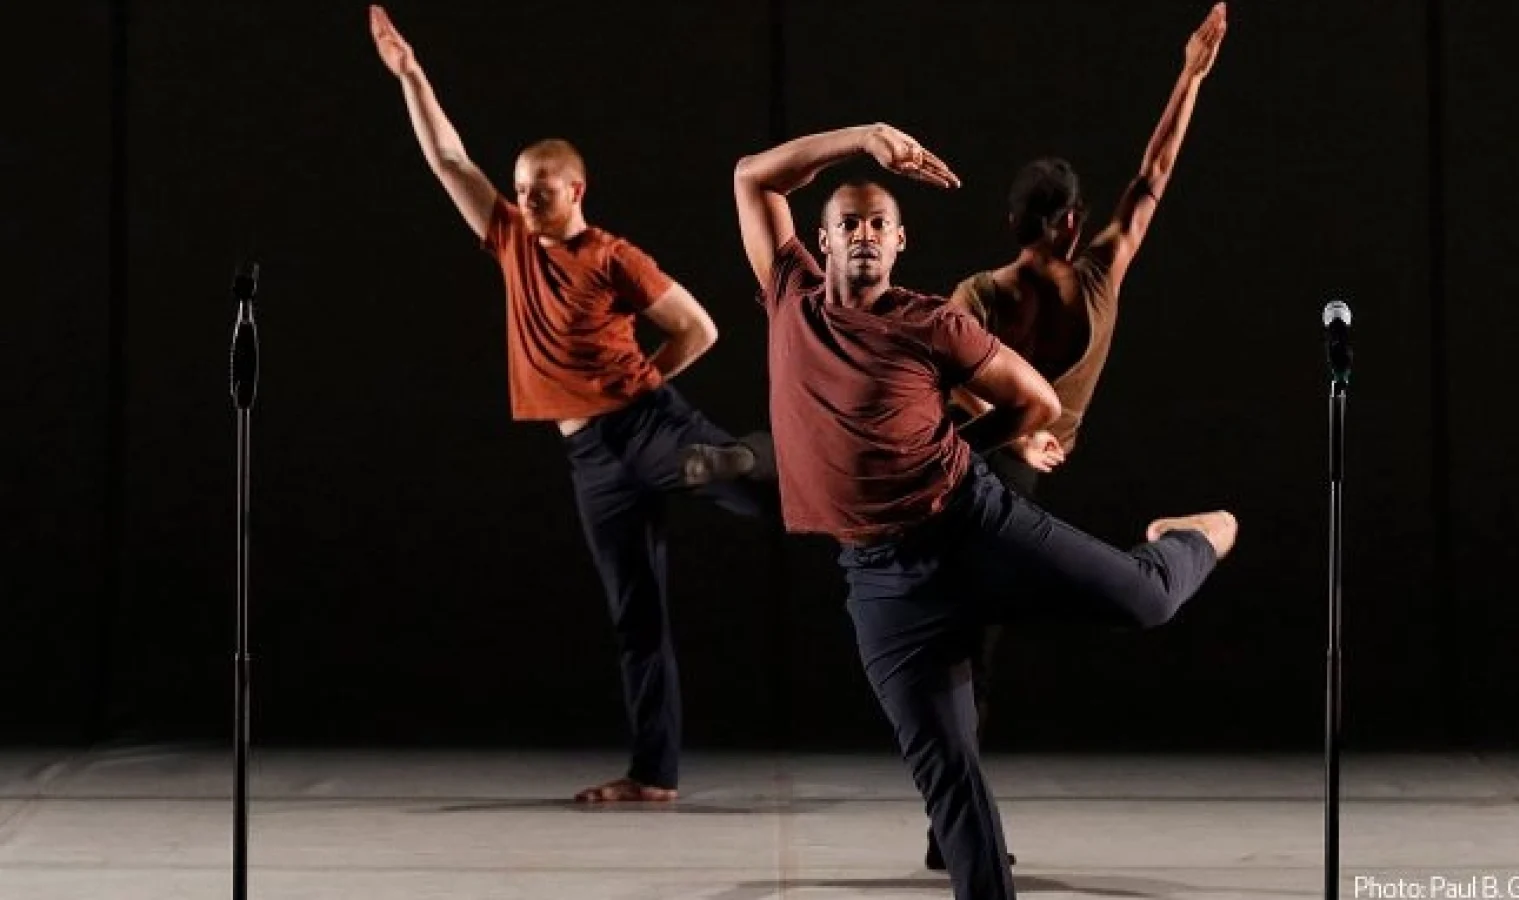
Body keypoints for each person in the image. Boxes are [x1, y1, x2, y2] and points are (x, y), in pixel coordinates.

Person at [727, 35, 1233, 900]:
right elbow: (752, 176)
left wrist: (967, 449)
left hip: (973, 524)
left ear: (899, 243)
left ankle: (1195, 535)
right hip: (881, 580)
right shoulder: (788, 296)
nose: (861, 234)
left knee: (1146, 599)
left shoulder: (936, 322)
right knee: (952, 780)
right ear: (821, 238)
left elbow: (1036, 399)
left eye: (878, 224)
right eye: (847, 221)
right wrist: (865, 135)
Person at [368, 4, 774, 804]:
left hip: (647, 423)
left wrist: (645, 382)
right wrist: (412, 75)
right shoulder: (512, 239)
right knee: (637, 615)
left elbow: (697, 327)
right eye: (521, 191)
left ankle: (793, 468)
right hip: (590, 458)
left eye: (541, 192)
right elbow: (450, 160)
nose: (526, 202)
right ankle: (653, 776)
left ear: (576, 189)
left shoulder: (613, 255)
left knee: (763, 497)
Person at [921, 2, 1230, 871]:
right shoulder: (1067, 280)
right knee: (970, 644)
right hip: (982, 481)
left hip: (1000, 482)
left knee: (972, 647)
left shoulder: (983, 289)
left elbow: (1151, 176)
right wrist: (1191, 73)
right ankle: (956, 828)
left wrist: (1190, 74)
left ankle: (954, 827)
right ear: (1064, 223)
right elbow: (1153, 176)